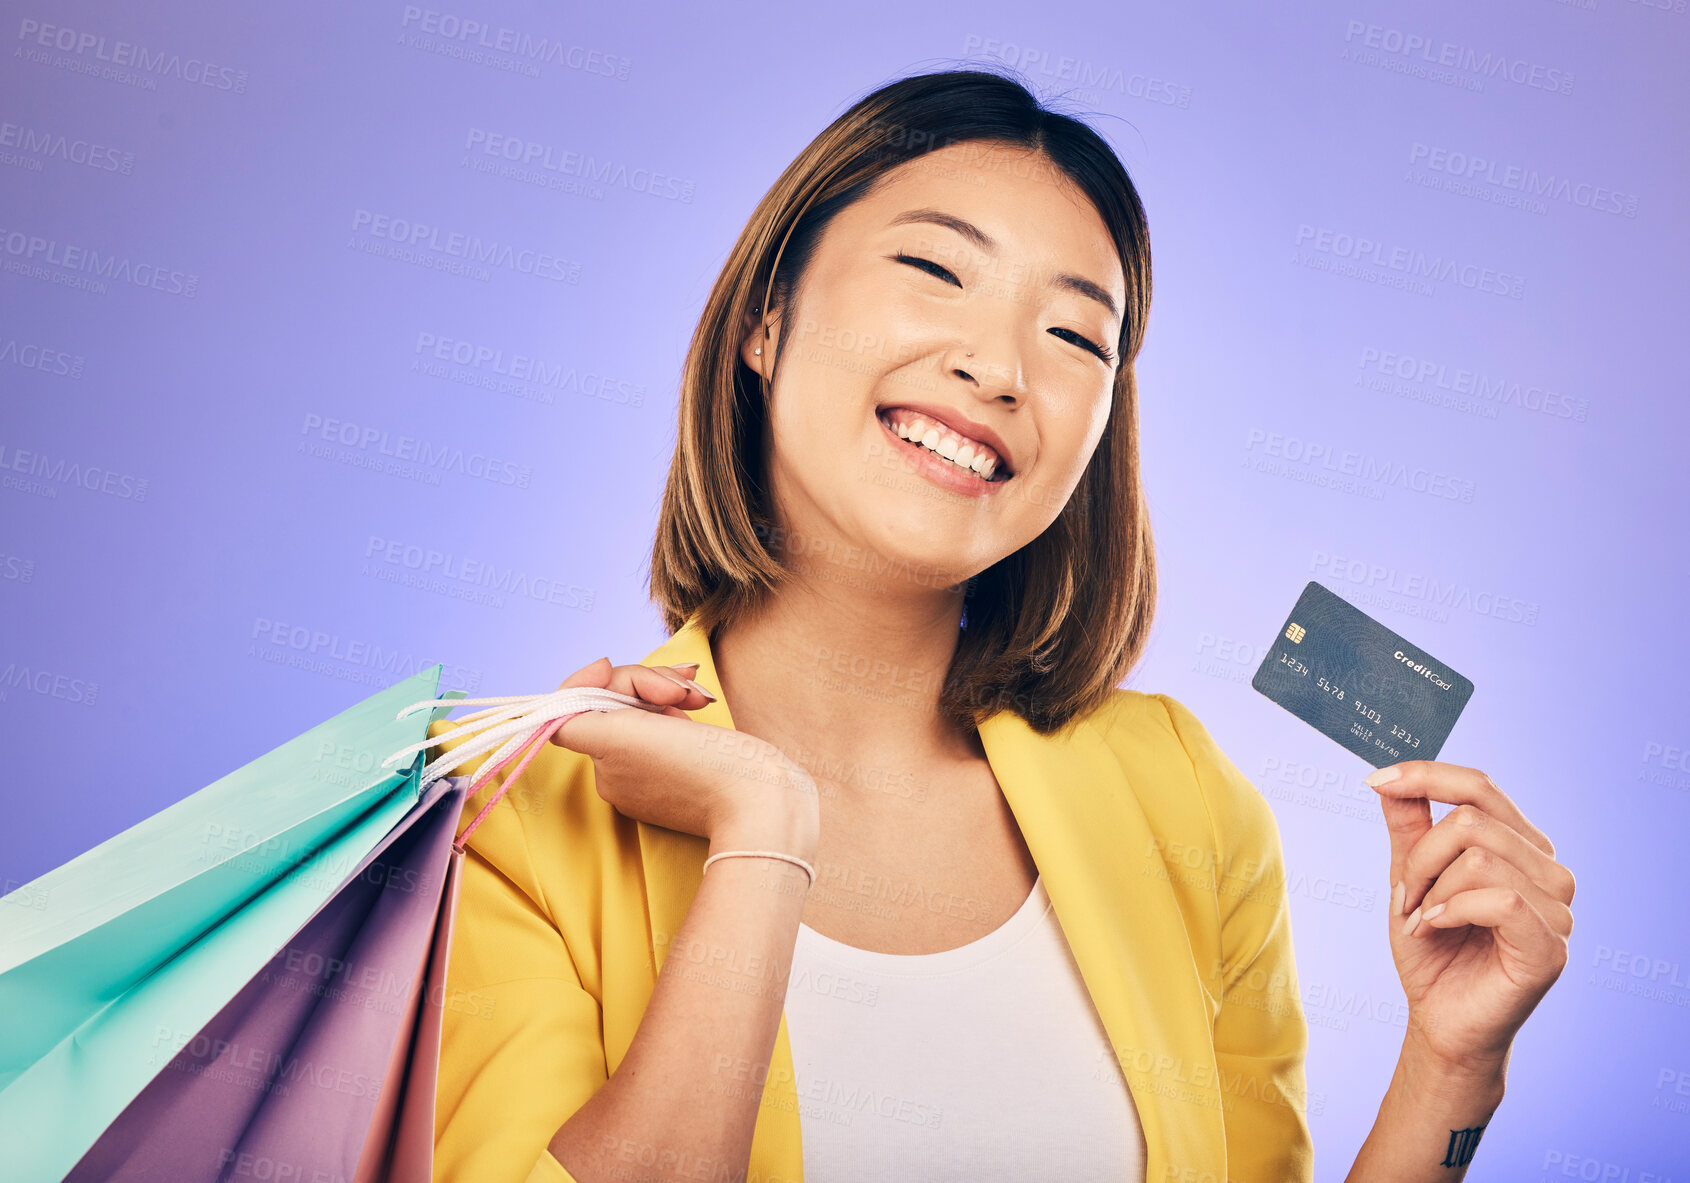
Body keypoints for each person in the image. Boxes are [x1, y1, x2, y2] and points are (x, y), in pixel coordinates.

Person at [428, 67, 1573, 1183]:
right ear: (766, 323)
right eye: (935, 268)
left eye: (1078, 337)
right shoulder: (516, 820)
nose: (999, 368)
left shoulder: (1182, 794)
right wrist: (759, 825)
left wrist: (1451, 1066)